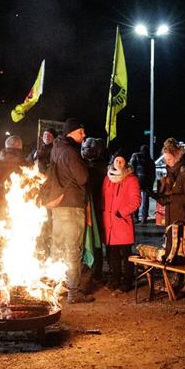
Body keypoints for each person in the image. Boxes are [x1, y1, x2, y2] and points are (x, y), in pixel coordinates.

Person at [48, 117, 93, 304]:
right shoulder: (70, 152)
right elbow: (82, 178)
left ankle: (54, 289)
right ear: (71, 132)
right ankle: (73, 292)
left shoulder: (56, 148)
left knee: (57, 248)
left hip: (58, 206)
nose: (84, 135)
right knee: (73, 250)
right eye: (80, 132)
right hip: (72, 205)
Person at [153, 138, 185, 293]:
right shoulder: (170, 173)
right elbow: (165, 195)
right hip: (172, 219)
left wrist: (170, 198)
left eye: (170, 158)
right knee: (173, 250)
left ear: (177, 156)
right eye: (166, 159)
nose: (168, 161)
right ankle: (176, 278)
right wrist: (160, 193)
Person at [101, 153, 141, 293]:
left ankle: (127, 281)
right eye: (117, 160)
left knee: (125, 254)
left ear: (125, 163)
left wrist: (121, 212)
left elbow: (136, 201)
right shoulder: (108, 178)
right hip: (109, 224)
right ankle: (114, 279)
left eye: (121, 161)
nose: (118, 163)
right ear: (113, 161)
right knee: (112, 255)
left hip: (122, 223)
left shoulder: (131, 179)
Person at [81, 137, 109, 287]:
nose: (87, 152)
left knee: (97, 241)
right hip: (89, 207)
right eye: (85, 149)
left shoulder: (102, 168)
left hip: (98, 208)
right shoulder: (84, 166)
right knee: (90, 240)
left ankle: (97, 271)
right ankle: (91, 270)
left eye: (89, 150)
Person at [129, 144, 155, 223]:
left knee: (136, 199)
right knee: (145, 200)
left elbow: (131, 168)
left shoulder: (135, 156)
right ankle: (144, 218)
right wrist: (151, 183)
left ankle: (135, 217)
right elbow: (152, 173)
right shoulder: (150, 160)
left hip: (137, 181)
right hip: (147, 182)